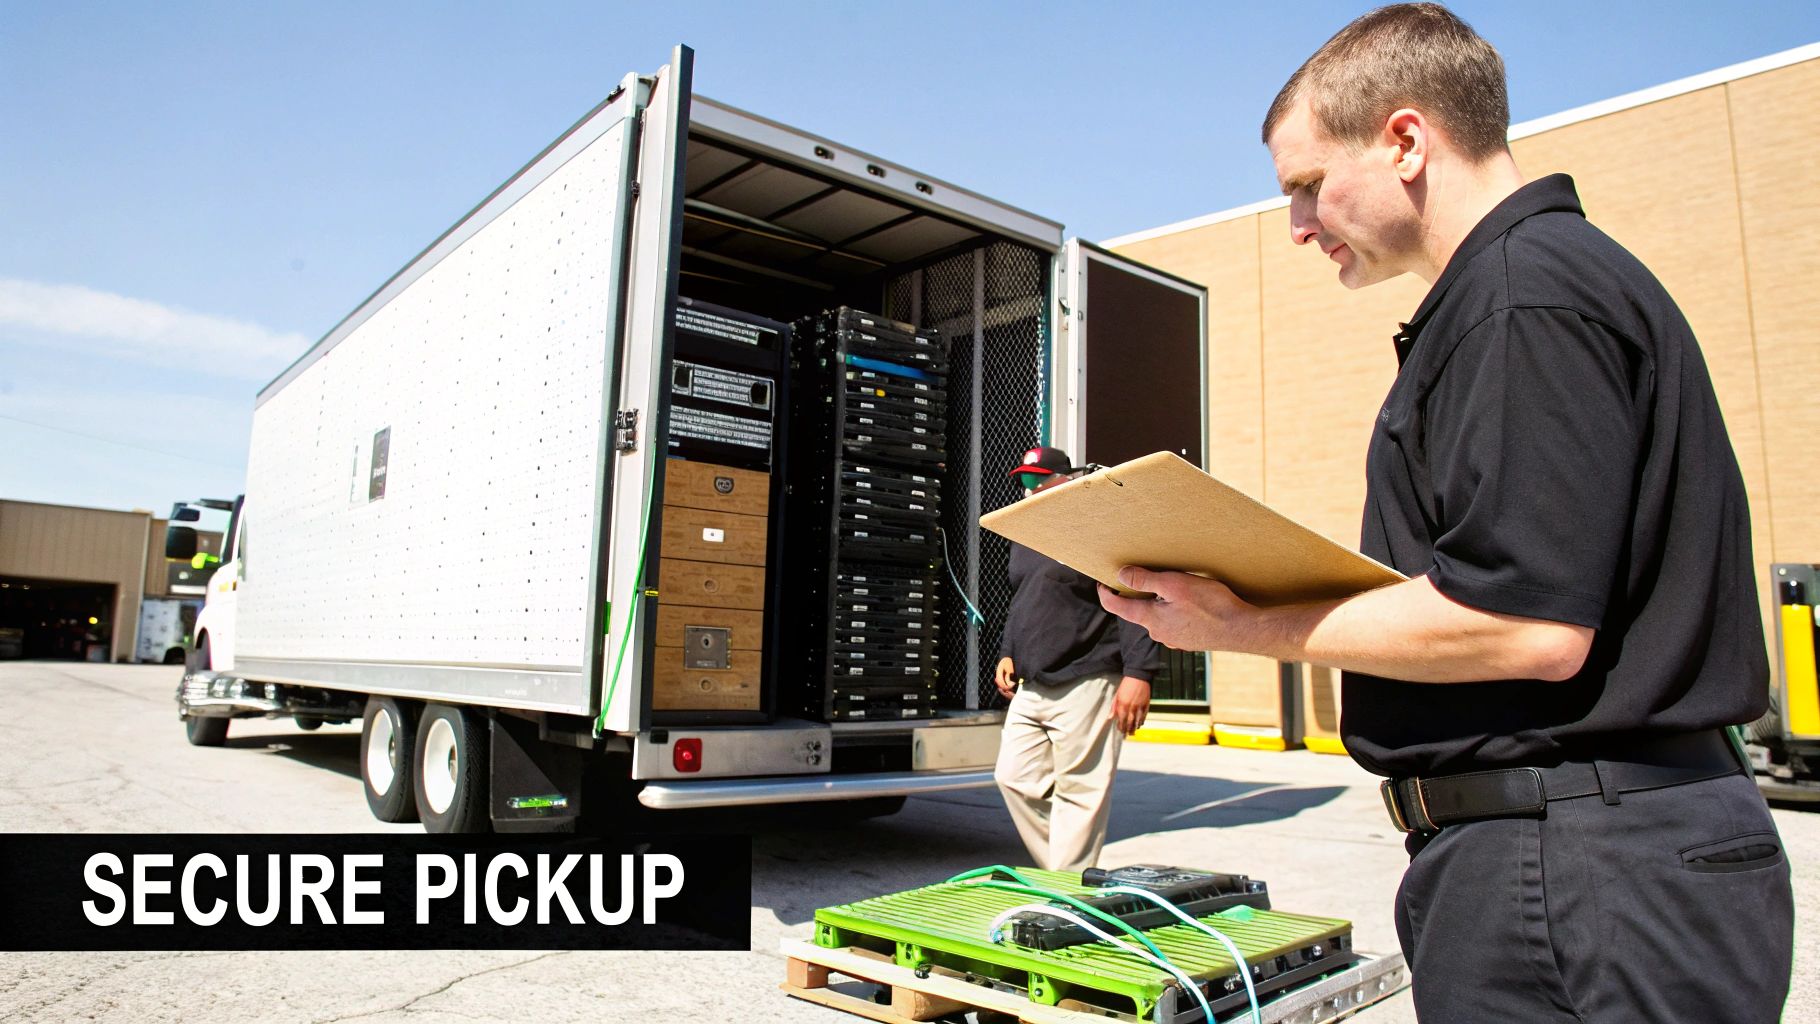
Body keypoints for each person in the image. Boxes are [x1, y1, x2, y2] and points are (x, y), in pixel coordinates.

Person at [1098, 5, 1794, 1021]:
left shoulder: (1520, 299)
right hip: (1585, 854)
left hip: (1579, 864)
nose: (1295, 226)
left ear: (1405, 140)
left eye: (1304, 186)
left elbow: (1525, 622)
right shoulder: (1534, 290)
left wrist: (1239, 624)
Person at [994, 445, 1162, 872]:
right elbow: (1023, 598)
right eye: (1023, 481)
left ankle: (1065, 892)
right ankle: (1067, 877)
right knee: (1013, 778)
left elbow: (1132, 599)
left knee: (1080, 792)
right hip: (1034, 681)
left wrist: (1138, 673)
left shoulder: (1097, 529)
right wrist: (1008, 650)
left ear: (1065, 479)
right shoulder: (1029, 534)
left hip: (1089, 678)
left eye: (1037, 479)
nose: (1028, 489)